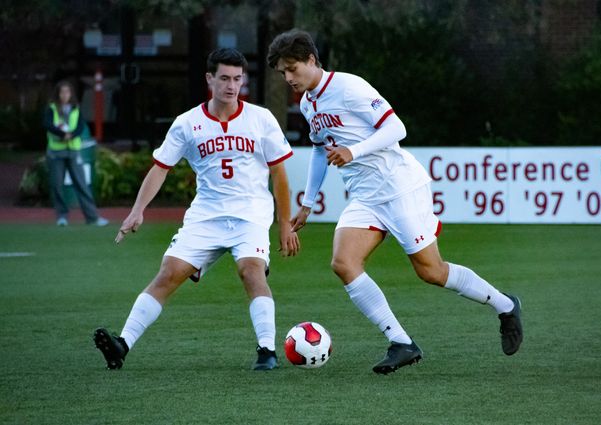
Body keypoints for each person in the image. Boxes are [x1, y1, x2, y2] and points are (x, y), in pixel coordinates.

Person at [267, 29, 523, 374]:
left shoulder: (349, 86)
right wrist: (308, 202)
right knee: (343, 263)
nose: (288, 78)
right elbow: (318, 149)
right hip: (365, 196)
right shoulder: (309, 103)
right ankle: (401, 342)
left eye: (292, 69)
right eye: (283, 72)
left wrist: (352, 150)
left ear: (312, 60)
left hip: (400, 188)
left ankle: (507, 306)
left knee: (431, 271)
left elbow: (396, 129)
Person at [93, 48, 299, 371]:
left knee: (251, 271)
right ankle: (122, 344)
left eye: (237, 79)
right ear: (210, 79)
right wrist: (137, 210)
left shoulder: (261, 119)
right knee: (168, 274)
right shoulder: (187, 123)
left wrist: (284, 224)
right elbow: (161, 167)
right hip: (205, 215)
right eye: (225, 78)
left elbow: (280, 174)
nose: (232, 86)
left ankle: (266, 350)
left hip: (251, 215)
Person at [43, 80, 108, 227]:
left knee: (82, 184)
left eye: (67, 92)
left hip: (73, 152)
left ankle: (92, 217)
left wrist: (71, 135)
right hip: (56, 153)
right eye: (62, 92)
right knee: (57, 185)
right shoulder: (51, 108)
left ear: (71, 94)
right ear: (58, 94)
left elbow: (80, 126)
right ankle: (62, 217)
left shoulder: (75, 108)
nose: (65, 95)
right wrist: (61, 134)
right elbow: (47, 124)